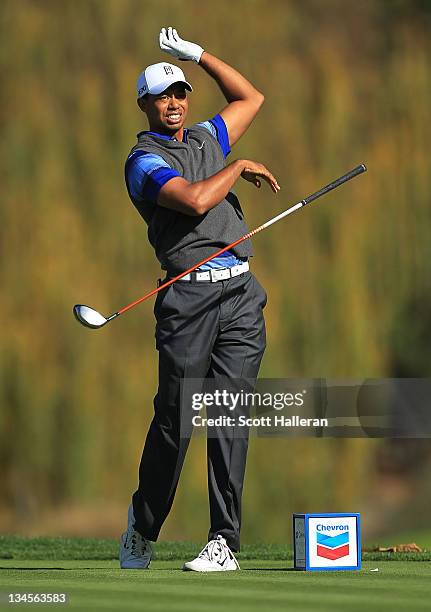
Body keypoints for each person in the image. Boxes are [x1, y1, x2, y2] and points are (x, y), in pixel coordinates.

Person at [119, 27, 280, 572]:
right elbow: (190, 201)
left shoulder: (208, 137)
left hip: (239, 294)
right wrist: (239, 166)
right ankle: (143, 526)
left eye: (181, 91)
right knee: (176, 421)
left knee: (231, 415)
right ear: (144, 103)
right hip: (187, 301)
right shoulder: (143, 161)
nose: (174, 102)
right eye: (163, 95)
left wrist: (197, 54)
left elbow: (250, 98)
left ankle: (224, 541)